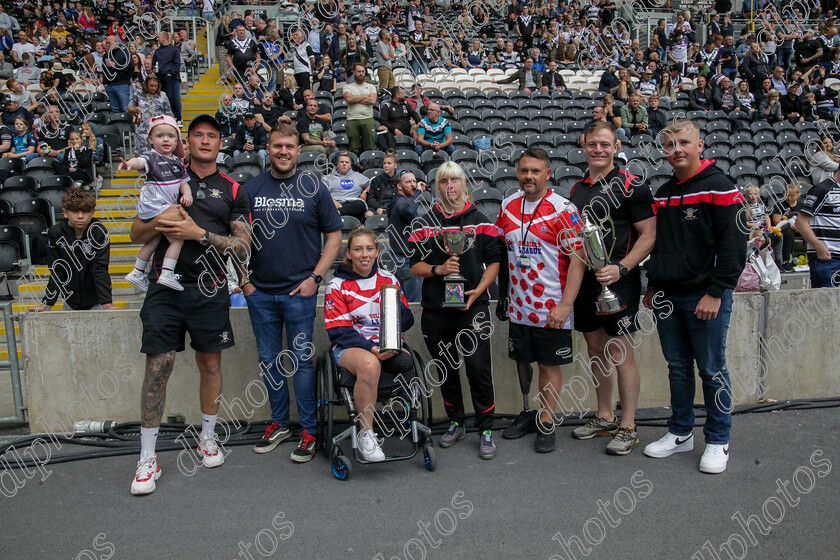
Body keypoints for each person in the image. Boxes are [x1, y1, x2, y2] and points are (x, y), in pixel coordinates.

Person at [128, 114, 251, 495]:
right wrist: (164, 223)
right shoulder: (164, 173)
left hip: (209, 288)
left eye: (212, 135)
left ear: (219, 143)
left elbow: (244, 247)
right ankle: (148, 457)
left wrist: (197, 233)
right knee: (159, 364)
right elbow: (136, 233)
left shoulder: (233, 189)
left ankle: (208, 438)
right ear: (188, 141)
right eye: (197, 134)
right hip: (164, 289)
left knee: (210, 362)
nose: (204, 140)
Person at [643, 119, 747, 474]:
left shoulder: (720, 186)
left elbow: (735, 246)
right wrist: (653, 285)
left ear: (699, 146)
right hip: (668, 297)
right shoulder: (663, 193)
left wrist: (716, 292)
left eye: (684, 142)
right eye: (670, 144)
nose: (677, 150)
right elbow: (660, 246)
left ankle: (719, 439)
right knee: (677, 369)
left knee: (712, 369)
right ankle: (680, 432)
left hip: (705, 297)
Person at [242, 123, 342, 463]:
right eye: (277, 146)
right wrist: (245, 282)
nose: (283, 151)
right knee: (270, 362)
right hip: (260, 294)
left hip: (300, 292)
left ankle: (310, 431)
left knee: (300, 362)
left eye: (289, 146)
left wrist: (316, 277)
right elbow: (238, 242)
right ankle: (280, 423)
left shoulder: (314, 188)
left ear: (299, 150)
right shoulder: (250, 189)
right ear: (267, 149)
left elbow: (334, 236)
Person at [568, 122, 656, 455]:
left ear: (616, 145)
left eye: (605, 144)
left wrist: (621, 268)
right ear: (584, 144)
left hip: (621, 280)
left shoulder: (632, 185)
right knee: (594, 348)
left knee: (620, 352)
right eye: (593, 144)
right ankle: (605, 414)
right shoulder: (577, 189)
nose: (599, 150)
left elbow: (649, 235)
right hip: (588, 281)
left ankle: (629, 424)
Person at [408, 162, 502, 460]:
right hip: (436, 310)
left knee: (478, 369)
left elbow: (495, 262)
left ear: (465, 184)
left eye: (456, 180)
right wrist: (439, 269)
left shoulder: (482, 221)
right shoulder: (424, 223)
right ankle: (456, 421)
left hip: (473, 308)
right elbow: (414, 266)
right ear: (438, 186)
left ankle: (486, 428)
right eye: (444, 180)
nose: (450, 185)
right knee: (446, 370)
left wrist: (479, 290)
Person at [495, 148, 585, 453]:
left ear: (548, 173)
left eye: (535, 171)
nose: (528, 177)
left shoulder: (564, 209)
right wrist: (504, 295)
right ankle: (527, 412)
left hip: (552, 307)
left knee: (548, 365)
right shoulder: (507, 206)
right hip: (519, 306)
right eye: (523, 171)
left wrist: (565, 305)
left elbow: (578, 259)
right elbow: (503, 253)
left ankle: (547, 419)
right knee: (522, 360)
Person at [324, 226, 415, 461]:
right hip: (351, 348)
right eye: (358, 249)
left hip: (386, 345)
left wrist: (398, 307)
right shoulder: (336, 286)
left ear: (376, 252)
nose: (364, 254)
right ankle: (367, 435)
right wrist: (372, 349)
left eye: (369, 249)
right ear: (349, 254)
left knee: (401, 359)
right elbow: (339, 332)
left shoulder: (389, 279)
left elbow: (406, 323)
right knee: (370, 364)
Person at [122, 115, 193, 292]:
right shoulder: (152, 157)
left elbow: (183, 182)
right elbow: (140, 161)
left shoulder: (177, 162)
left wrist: (188, 194)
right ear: (151, 140)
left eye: (171, 136)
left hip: (159, 208)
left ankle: (137, 271)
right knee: (177, 240)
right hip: (156, 207)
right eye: (160, 136)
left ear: (177, 141)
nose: (166, 139)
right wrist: (129, 164)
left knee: (152, 241)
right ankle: (167, 273)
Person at [28, 188, 117, 312]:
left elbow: (100, 268)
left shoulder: (99, 231)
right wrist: (47, 303)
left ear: (93, 213)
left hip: (97, 301)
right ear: (65, 213)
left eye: (85, 212)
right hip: (70, 300)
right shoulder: (56, 232)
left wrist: (107, 303)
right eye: (75, 212)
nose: (80, 216)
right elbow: (57, 270)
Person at [797, 166, 840, 288]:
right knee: (825, 304)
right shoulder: (823, 189)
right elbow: (800, 222)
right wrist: (819, 248)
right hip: (828, 259)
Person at [387, 169, 423, 303]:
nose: (413, 185)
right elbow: (408, 211)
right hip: (405, 260)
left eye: (414, 181)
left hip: (401, 259)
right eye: (408, 182)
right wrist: (418, 193)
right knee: (413, 304)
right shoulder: (400, 201)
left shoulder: (401, 201)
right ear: (399, 186)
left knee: (402, 305)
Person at [128, 75, 174, 155]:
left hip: (159, 131)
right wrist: (136, 110)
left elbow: (169, 114)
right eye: (151, 85)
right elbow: (129, 108)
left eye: (155, 86)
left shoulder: (163, 95)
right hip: (143, 132)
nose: (153, 88)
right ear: (146, 85)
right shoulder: (138, 94)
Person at [323, 151, 371, 221]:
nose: (344, 164)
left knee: (361, 204)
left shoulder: (359, 176)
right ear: (337, 164)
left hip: (353, 205)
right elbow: (322, 192)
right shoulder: (328, 178)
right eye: (342, 162)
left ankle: (338, 212)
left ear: (350, 165)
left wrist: (365, 192)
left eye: (347, 162)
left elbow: (371, 184)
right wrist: (333, 201)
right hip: (335, 204)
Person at [343, 62, 377, 155]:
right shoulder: (347, 86)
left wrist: (356, 98)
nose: (361, 73)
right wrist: (365, 96)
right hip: (352, 119)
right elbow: (349, 99)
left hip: (367, 118)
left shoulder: (371, 86)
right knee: (354, 148)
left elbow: (372, 101)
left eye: (363, 71)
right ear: (354, 72)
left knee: (369, 147)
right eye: (358, 71)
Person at [377, 86, 422, 152]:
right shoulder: (387, 105)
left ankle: (415, 150)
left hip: (407, 128)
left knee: (416, 127)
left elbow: (413, 113)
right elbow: (383, 121)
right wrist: (394, 129)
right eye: (402, 93)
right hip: (392, 130)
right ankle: (388, 151)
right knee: (381, 128)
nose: (404, 95)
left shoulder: (406, 104)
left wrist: (418, 122)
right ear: (397, 95)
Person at [152, 31, 183, 123]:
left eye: (158, 37)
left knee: (171, 96)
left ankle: (177, 117)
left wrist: (172, 73)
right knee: (161, 97)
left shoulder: (174, 50)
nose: (157, 39)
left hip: (169, 77)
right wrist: (153, 70)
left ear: (164, 38)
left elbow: (177, 63)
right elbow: (153, 63)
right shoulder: (157, 51)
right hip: (160, 77)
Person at [770, 184, 802, 272]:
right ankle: (786, 260)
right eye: (787, 195)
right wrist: (791, 225)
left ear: (798, 196)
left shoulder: (801, 206)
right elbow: (776, 220)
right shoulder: (780, 205)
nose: (789, 198)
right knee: (788, 232)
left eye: (792, 196)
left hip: (800, 228)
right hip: (784, 229)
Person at [102, 35, 132, 113]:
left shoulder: (125, 53)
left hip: (122, 84)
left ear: (116, 42)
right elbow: (104, 70)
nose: (107, 45)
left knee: (126, 108)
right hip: (110, 85)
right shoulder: (106, 55)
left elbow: (131, 67)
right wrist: (105, 84)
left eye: (109, 43)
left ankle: (128, 125)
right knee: (115, 110)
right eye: (106, 43)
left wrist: (115, 65)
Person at [367, 150, 399, 216]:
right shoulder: (376, 180)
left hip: (394, 207)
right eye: (384, 163)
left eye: (389, 163)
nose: (386, 166)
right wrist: (378, 208)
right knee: (368, 214)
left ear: (395, 166)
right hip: (379, 206)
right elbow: (371, 199)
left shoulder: (399, 180)